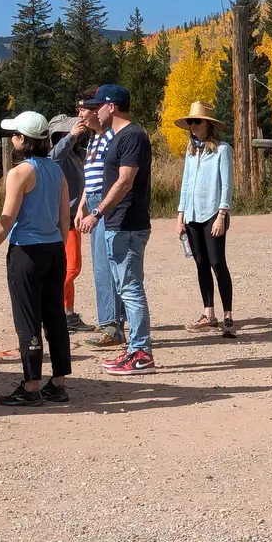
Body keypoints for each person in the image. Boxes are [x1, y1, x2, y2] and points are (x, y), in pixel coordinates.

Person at [0, 111, 72, 407]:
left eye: (14, 134)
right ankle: (59, 383)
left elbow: (7, 219)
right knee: (55, 316)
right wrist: (57, 247)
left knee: (27, 318)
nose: (12, 138)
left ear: (23, 141)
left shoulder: (20, 173)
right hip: (54, 249)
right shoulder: (57, 171)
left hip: (26, 253)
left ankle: (31, 386)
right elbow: (64, 218)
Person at [78, 85, 155, 376]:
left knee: (131, 288)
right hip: (118, 222)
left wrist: (97, 212)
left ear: (111, 107)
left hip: (127, 222)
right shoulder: (119, 136)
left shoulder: (132, 136)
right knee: (125, 286)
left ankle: (141, 353)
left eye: (99, 105)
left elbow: (124, 181)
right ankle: (135, 348)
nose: (94, 110)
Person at [174, 101, 235, 337]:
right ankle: (209, 314)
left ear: (209, 124)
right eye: (190, 122)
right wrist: (180, 215)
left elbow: (227, 184)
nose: (193, 126)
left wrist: (222, 214)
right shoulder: (191, 153)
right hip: (192, 215)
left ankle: (228, 315)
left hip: (213, 213)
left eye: (197, 121)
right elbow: (186, 185)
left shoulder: (222, 150)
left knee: (217, 263)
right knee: (201, 263)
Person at [74, 89, 126, 350]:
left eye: (84, 109)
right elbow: (90, 178)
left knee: (106, 267)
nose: (80, 114)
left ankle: (111, 325)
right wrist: (82, 205)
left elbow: (112, 177)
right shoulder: (93, 140)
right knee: (101, 264)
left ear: (97, 111)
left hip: (105, 203)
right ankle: (113, 321)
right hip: (93, 200)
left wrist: (98, 209)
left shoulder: (111, 138)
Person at [49, 111, 90, 331]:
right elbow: (52, 156)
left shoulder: (77, 154)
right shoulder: (58, 155)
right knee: (72, 268)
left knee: (68, 268)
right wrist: (71, 137)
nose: (78, 135)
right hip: (63, 219)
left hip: (75, 217)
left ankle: (68, 314)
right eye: (72, 131)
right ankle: (47, 306)